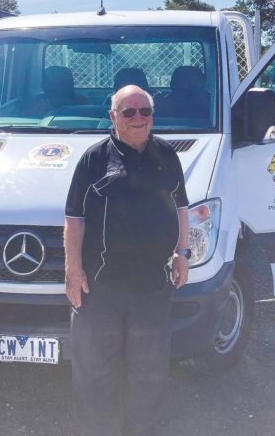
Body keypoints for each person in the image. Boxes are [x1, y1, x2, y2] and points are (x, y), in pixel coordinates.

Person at [64, 84, 189, 436]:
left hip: (151, 286)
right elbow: (74, 218)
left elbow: (181, 205)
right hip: (100, 287)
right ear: (113, 117)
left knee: (149, 372)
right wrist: (72, 270)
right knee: (94, 374)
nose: (138, 119)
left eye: (144, 111)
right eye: (128, 112)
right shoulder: (94, 159)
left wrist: (182, 253)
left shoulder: (167, 155)